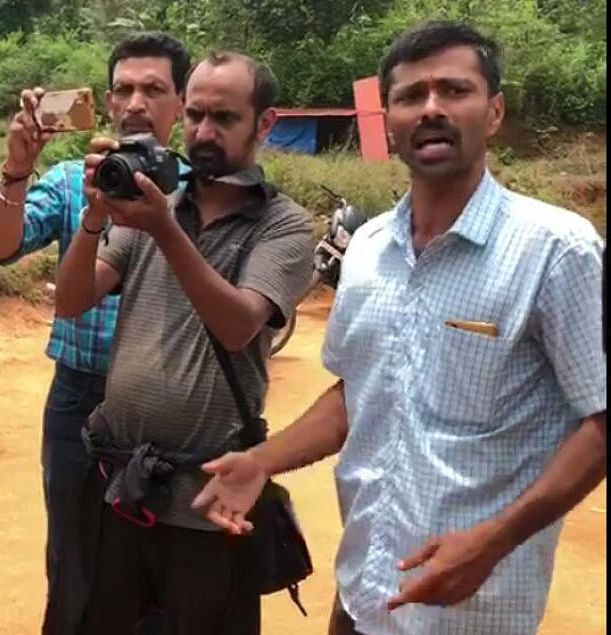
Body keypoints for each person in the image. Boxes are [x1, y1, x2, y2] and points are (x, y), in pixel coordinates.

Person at [194, 22, 607, 635]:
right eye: (411, 96)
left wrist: (495, 541)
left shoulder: (555, 249)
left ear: (494, 112)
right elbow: (357, 394)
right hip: (364, 594)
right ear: (388, 119)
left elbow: (600, 418)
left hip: (474, 610)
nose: (432, 108)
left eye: (455, 91)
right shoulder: (368, 248)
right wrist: (261, 461)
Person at [48, 50, 314, 635]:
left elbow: (239, 324)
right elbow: (71, 302)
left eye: (224, 118)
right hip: (122, 485)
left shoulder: (284, 225)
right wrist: (95, 218)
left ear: (265, 124)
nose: (202, 132)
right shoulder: (155, 209)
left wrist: (164, 231)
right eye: (194, 115)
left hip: (208, 498)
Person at [0, 33, 190, 620]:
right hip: (79, 395)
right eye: (124, 89)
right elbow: (3, 247)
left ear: (181, 101)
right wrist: (17, 169)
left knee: (158, 567)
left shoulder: (198, 188)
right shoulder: (77, 179)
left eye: (154, 89)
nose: (136, 103)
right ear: (106, 99)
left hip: (165, 405)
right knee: (73, 559)